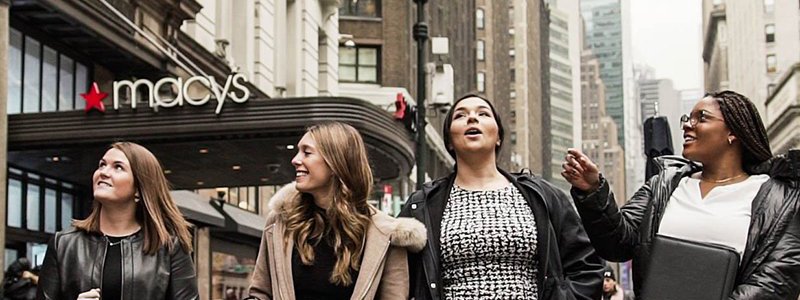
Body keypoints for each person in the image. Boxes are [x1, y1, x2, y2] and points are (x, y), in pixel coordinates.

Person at [562, 90, 800, 299]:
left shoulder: (780, 199)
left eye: (702, 118)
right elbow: (617, 244)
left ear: (733, 133)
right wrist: (593, 191)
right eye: (687, 118)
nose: (687, 124)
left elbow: (777, 279)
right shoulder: (663, 185)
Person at [400, 94, 605, 300]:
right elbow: (396, 276)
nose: (472, 118)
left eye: (483, 113)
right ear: (450, 142)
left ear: (498, 137)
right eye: (460, 116)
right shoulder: (423, 205)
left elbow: (587, 265)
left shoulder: (542, 196)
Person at [247, 122, 427, 300]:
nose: (295, 160)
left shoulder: (386, 235)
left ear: (336, 163)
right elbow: (261, 293)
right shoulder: (280, 221)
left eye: (307, 152)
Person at [36, 142, 198, 300]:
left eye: (118, 167)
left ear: (139, 190)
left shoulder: (169, 246)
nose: (104, 172)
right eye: (102, 165)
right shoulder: (63, 244)